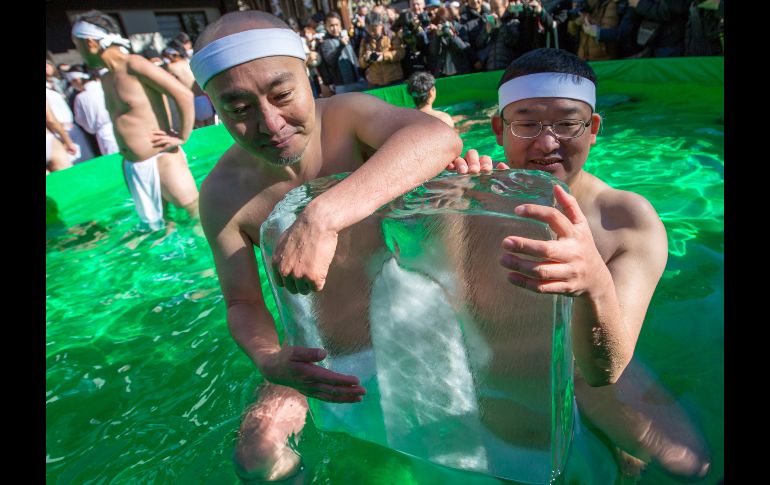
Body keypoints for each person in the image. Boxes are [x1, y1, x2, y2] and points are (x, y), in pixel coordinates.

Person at [189, 10, 462, 481]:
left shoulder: (349, 119)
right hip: (324, 357)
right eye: (239, 110)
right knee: (257, 458)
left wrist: (323, 216)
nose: (270, 123)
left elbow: (437, 137)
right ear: (215, 108)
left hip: (420, 336)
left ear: (310, 75)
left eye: (281, 95)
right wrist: (270, 359)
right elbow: (241, 301)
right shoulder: (222, 195)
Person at [452, 47, 711, 480]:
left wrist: (594, 282)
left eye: (568, 123)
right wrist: (446, 200)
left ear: (592, 129)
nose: (547, 142)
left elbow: (604, 369)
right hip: (503, 365)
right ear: (499, 129)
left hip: (586, 365)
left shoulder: (625, 219)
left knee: (690, 465)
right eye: (527, 123)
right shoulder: (478, 196)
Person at [71, 10, 199, 231]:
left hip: (162, 159)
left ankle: (209, 267)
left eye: (77, 44)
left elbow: (183, 94)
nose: (77, 51)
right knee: (162, 229)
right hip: (133, 165)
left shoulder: (134, 64)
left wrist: (182, 136)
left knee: (195, 217)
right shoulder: (106, 77)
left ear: (90, 43)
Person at [72, 67, 120, 156]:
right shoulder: (106, 87)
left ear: (78, 80)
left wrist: (92, 129)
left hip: (105, 134)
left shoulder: (80, 98)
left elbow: (80, 119)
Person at [319, 12, 367, 94]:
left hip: (359, 80)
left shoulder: (347, 37)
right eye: (331, 25)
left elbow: (362, 43)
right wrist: (341, 45)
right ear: (326, 26)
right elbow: (331, 61)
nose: (335, 28)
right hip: (342, 86)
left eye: (337, 25)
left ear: (340, 24)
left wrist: (363, 27)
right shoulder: (325, 43)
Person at [357, 13, 406, 88]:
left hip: (394, 79)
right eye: (369, 29)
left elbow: (401, 53)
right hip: (375, 82)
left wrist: (383, 56)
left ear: (380, 24)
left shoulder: (391, 35)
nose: (372, 32)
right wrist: (366, 59)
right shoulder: (365, 40)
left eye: (374, 29)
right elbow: (360, 63)